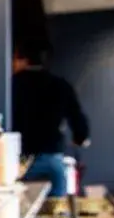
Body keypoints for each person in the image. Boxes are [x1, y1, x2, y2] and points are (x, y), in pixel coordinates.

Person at [12, 45, 90, 196]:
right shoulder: (60, 84)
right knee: (57, 211)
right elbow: (77, 118)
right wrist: (80, 138)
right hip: (51, 158)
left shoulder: (11, 84)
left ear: (22, 59)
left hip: (21, 161)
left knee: (21, 211)